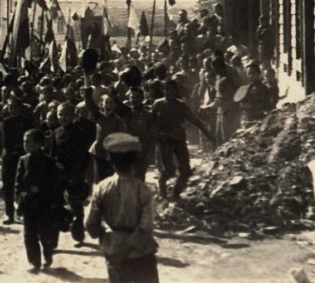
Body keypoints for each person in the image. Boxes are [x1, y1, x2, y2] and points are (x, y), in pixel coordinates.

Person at [85, 133, 159, 283]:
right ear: (134, 162)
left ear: (111, 162)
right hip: (140, 252)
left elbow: (90, 224)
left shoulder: (101, 188)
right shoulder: (142, 189)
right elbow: (146, 225)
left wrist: (104, 236)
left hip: (115, 250)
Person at [152, 79, 214, 200]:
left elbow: (195, 120)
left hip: (178, 139)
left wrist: (208, 134)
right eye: (166, 89)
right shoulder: (158, 104)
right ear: (162, 90)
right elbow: (152, 124)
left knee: (185, 170)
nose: (169, 92)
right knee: (168, 170)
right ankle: (163, 193)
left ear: (176, 91)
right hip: (164, 141)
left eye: (171, 89)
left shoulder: (181, 105)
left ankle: (176, 194)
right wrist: (157, 136)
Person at [15, 128, 60, 273]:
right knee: (29, 234)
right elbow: (18, 183)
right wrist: (18, 201)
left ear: (39, 143)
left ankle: (48, 255)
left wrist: (52, 202)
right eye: (24, 142)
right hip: (28, 203)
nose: (25, 144)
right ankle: (34, 262)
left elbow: (54, 184)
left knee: (44, 233)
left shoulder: (49, 161)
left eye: (29, 142)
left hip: (43, 203)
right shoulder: (23, 160)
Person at [52, 100, 96, 244]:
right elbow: (53, 155)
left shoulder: (79, 133)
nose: (63, 117)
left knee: (76, 205)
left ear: (72, 116)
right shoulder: (56, 133)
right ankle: (54, 238)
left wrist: (77, 174)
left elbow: (83, 157)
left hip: (74, 174)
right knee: (56, 204)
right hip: (59, 175)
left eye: (66, 114)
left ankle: (78, 235)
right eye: (60, 114)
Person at [0, 96, 34, 224]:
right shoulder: (5, 122)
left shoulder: (27, 122)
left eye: (15, 107)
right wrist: (16, 151)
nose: (12, 110)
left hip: (24, 156)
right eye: (10, 107)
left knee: (24, 184)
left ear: (20, 108)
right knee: (8, 186)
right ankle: (9, 214)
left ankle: (23, 211)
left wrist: (22, 151)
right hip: (9, 157)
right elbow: (5, 141)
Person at [238, 61, 273, 127]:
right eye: (249, 73)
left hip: (258, 120)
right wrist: (242, 104)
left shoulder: (263, 88)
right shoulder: (246, 88)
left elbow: (267, 106)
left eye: (253, 73)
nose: (251, 75)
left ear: (258, 74)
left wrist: (253, 106)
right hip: (246, 118)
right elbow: (239, 101)